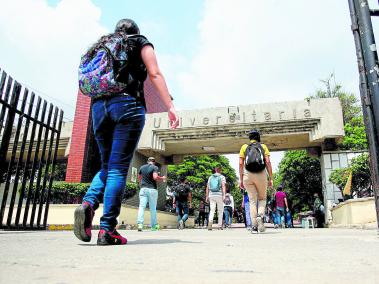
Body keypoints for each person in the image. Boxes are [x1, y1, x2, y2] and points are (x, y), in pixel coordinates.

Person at [74, 19, 179, 245]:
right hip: (127, 105)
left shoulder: (104, 45)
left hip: (99, 107)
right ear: (136, 32)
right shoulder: (139, 42)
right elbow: (154, 73)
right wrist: (170, 106)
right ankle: (107, 229)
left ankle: (88, 204)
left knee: (106, 166)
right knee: (118, 169)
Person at [239, 129, 273, 233]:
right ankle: (260, 215)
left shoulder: (244, 147)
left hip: (247, 175)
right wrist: (270, 178)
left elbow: (241, 163)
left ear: (250, 138)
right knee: (262, 198)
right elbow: (267, 162)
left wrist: (241, 179)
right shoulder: (263, 146)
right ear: (258, 137)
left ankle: (254, 226)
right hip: (261, 174)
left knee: (252, 201)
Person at [137, 157, 167, 231]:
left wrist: (142, 184)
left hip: (143, 189)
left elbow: (139, 178)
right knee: (152, 208)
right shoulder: (154, 167)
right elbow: (155, 177)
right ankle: (153, 226)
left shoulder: (142, 167)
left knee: (141, 207)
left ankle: (140, 224)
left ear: (148, 161)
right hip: (152, 190)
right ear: (154, 162)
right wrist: (162, 178)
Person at [206, 166, 226, 230]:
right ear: (220, 170)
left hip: (211, 195)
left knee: (212, 210)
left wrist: (207, 196)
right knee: (220, 210)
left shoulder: (210, 177)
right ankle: (220, 226)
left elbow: (207, 187)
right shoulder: (222, 177)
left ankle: (210, 222)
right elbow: (223, 186)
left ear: (215, 170)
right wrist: (224, 195)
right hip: (219, 195)